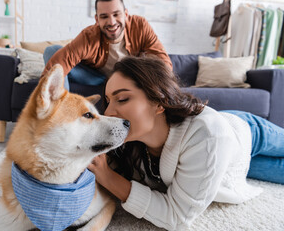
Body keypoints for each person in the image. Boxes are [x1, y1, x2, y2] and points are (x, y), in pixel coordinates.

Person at [88, 56, 284, 230]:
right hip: (222, 159)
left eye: (122, 99)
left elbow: (177, 217)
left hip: (247, 132)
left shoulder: (207, 136)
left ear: (159, 102)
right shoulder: (130, 141)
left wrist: (108, 177)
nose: (108, 113)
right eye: (108, 101)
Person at [42, 0, 172, 90]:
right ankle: (59, 110)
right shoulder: (89, 36)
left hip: (130, 79)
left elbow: (164, 63)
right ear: (97, 19)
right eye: (104, 16)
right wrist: (42, 95)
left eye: (116, 14)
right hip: (98, 79)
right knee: (52, 51)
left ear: (126, 15)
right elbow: (64, 59)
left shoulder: (140, 26)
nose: (111, 22)